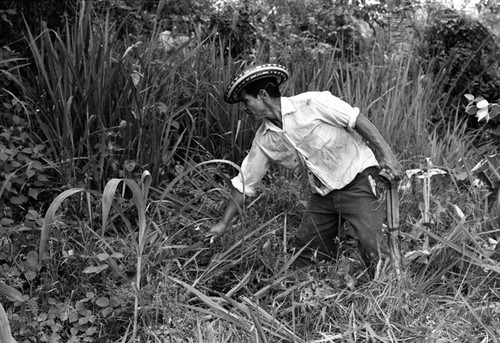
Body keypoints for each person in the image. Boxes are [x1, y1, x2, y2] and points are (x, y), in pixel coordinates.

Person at [208, 63, 403, 272]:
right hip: (324, 194)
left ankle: (389, 290)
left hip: (359, 180)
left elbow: (356, 120)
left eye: (247, 101)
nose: (245, 109)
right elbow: (245, 183)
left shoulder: (312, 103)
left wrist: (387, 155)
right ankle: (316, 291)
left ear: (263, 94)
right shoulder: (265, 139)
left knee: (372, 247)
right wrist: (223, 223)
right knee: (305, 256)